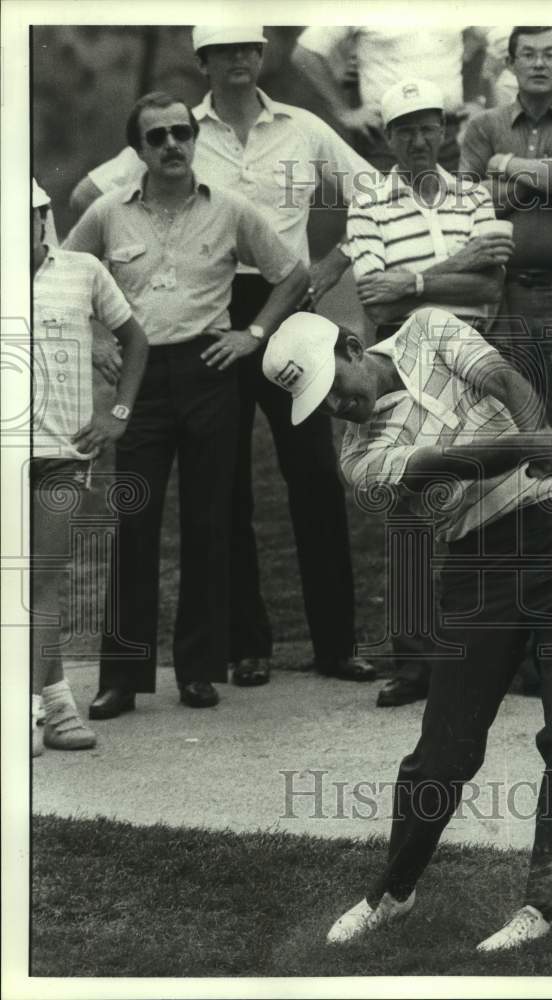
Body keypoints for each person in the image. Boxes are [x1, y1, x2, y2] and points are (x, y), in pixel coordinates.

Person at [262, 307, 552, 951]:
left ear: (352, 345)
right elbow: (440, 465)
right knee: (444, 752)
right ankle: (393, 891)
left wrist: (539, 447)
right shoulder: (360, 458)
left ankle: (547, 906)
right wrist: (527, 447)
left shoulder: (428, 328)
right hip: (476, 567)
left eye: (338, 388)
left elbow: (505, 380)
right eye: (324, 406)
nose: (341, 407)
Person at [69, 26, 378, 686]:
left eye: (250, 50)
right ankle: (245, 644)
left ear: (262, 56)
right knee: (224, 484)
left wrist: (330, 267)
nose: (239, 62)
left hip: (287, 303)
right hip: (212, 310)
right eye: (224, 52)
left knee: (315, 474)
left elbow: (379, 195)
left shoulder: (302, 127)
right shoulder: (179, 130)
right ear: (203, 61)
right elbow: (88, 200)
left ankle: (336, 642)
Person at [63, 91, 309, 717]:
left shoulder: (230, 210)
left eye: (181, 132)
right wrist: (96, 339)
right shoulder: (108, 214)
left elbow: (292, 274)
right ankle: (121, 679)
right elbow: (65, 274)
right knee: (134, 523)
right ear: (138, 149)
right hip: (141, 383)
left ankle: (199, 670)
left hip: (208, 372)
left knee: (209, 523)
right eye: (157, 137)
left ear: (194, 138)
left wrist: (252, 335)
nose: (172, 144)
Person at [345, 77, 513, 706]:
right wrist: (454, 268)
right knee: (410, 509)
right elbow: (370, 291)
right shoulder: (368, 201)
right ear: (387, 137)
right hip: (401, 357)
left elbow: (492, 287)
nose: (418, 139)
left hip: (468, 351)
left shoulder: (472, 193)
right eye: (405, 129)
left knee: (492, 494)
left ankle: (493, 648)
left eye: (427, 126)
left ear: (443, 131)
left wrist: (412, 281)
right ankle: (415, 663)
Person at [460, 26, 552, 483]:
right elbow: (468, 202)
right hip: (505, 296)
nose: (540, 63)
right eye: (528, 54)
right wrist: (551, 178)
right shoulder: (485, 125)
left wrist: (508, 168)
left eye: (550, 54)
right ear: (510, 64)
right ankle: (533, 547)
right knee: (516, 431)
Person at [30, 179, 149, 754]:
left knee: (41, 583)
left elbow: (135, 339)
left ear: (43, 217)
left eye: (26, 217)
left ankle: (28, 711)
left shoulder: (81, 270)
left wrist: (118, 414)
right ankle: (56, 707)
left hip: (63, 458)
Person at [291, 27, 487, 173]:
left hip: (449, 134)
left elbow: (491, 39)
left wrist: (474, 99)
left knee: (455, 216)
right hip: (388, 137)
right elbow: (305, 53)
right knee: (389, 217)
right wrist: (344, 112)